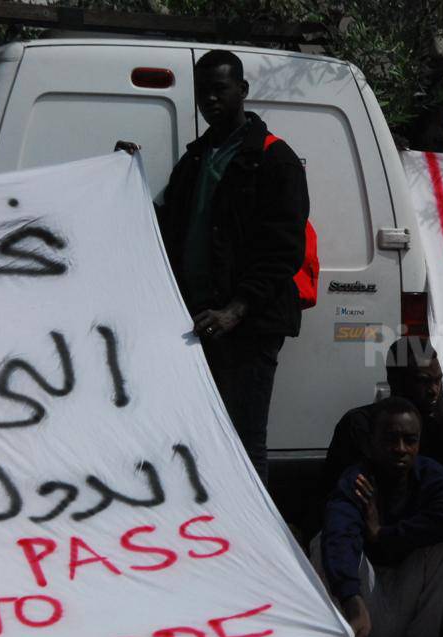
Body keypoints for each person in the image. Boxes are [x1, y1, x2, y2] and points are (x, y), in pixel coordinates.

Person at [120, 50, 308, 485]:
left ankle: (255, 542)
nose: (210, 100)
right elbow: (163, 225)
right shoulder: (197, 158)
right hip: (201, 320)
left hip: (248, 326)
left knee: (243, 440)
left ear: (242, 90)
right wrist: (125, 175)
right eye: (202, 91)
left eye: (219, 89)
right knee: (197, 436)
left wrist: (236, 310)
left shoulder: (273, 158)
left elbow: (283, 251)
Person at [321, 396, 443, 637]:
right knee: (323, 541)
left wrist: (384, 534)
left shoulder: (428, 473)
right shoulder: (357, 479)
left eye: (410, 440)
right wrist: (352, 600)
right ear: (371, 443)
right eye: (391, 440)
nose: (401, 449)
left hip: (409, 600)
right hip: (364, 609)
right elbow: (339, 534)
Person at [323, 336, 443, 491]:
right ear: (396, 381)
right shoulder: (359, 425)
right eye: (423, 381)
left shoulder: (439, 425)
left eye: (437, 381)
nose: (434, 390)